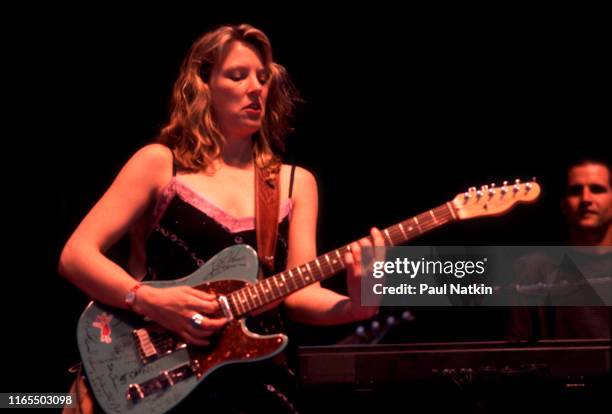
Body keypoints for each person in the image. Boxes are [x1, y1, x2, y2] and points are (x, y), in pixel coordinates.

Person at [58, 24, 384, 413]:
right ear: (204, 84)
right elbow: (76, 256)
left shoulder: (293, 183)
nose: (255, 88)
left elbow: (298, 293)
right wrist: (148, 299)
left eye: (263, 78)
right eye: (237, 75)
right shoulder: (161, 165)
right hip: (161, 380)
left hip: (259, 385)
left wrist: (358, 305)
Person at [509, 157, 611, 341]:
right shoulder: (533, 267)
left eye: (597, 189)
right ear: (563, 204)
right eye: (575, 191)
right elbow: (520, 353)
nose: (586, 199)